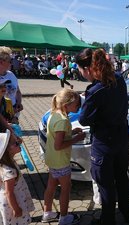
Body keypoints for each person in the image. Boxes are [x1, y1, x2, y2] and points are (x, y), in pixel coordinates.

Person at [75, 48, 129, 225]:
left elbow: (84, 119)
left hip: (104, 143)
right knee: (122, 179)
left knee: (106, 184)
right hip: (122, 138)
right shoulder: (119, 79)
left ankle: (107, 220)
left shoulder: (95, 90)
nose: (80, 73)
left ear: (87, 69)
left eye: (79, 70)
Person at [42, 89, 85, 225]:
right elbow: (59, 145)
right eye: (76, 105)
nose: (78, 107)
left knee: (51, 186)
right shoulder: (63, 120)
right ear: (67, 104)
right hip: (61, 161)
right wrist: (77, 138)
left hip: (52, 159)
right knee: (66, 188)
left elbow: (57, 135)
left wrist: (71, 132)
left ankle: (47, 213)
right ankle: (65, 217)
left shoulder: (54, 114)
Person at [0, 129, 35, 225]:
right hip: (13, 203)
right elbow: (9, 193)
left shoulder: (7, 162)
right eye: (15, 143)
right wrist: (16, 209)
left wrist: (15, 140)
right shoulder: (9, 171)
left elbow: (19, 142)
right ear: (7, 151)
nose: (18, 142)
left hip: (13, 200)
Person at [0, 46, 23, 117]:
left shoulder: (11, 74)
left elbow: (18, 91)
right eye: (10, 61)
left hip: (14, 111)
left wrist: (19, 103)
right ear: (1, 62)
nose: (11, 63)